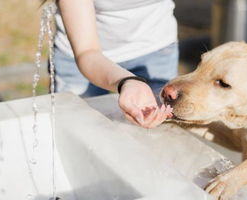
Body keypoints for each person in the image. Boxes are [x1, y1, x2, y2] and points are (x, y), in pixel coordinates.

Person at [48, 0, 178, 128]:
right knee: (76, 128)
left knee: (157, 132)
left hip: (156, 51)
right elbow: (87, 51)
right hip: (82, 59)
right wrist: (127, 81)